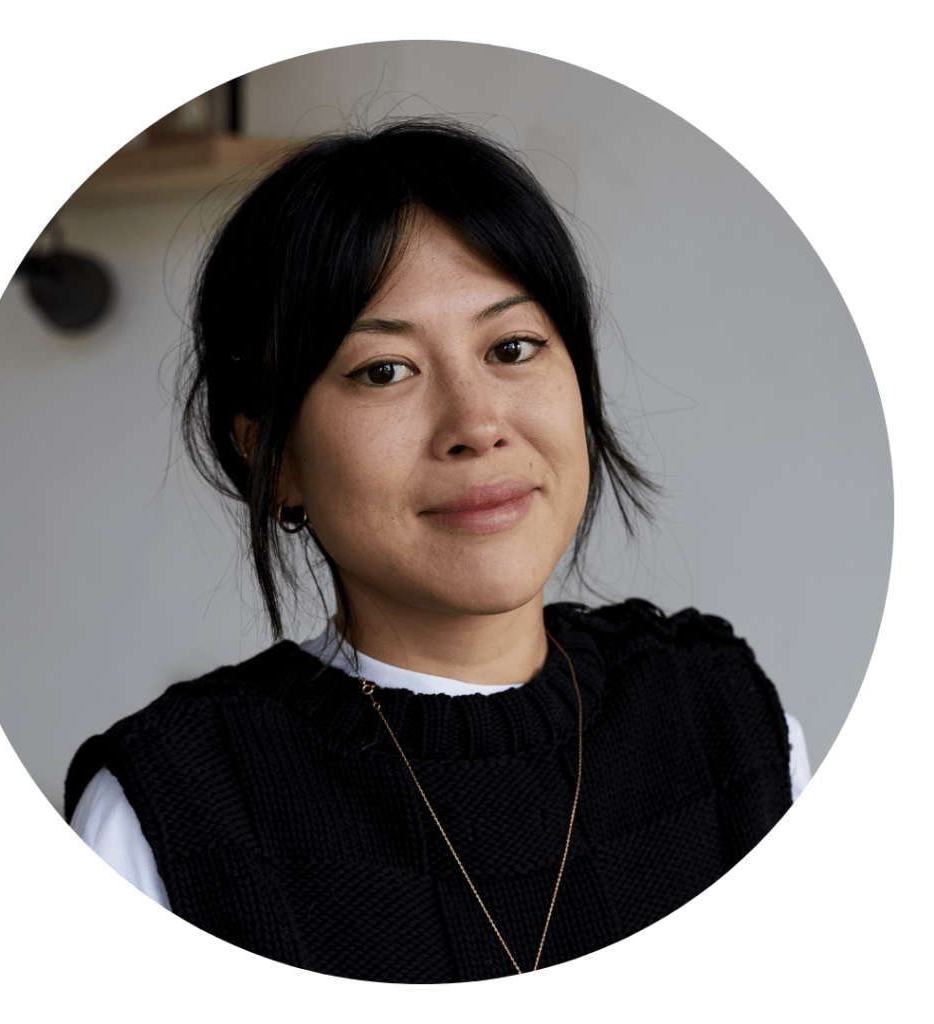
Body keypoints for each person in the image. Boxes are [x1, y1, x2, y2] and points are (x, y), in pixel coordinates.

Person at [66, 119, 811, 983]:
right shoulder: (169, 815)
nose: (475, 423)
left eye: (512, 348)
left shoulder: (730, 725)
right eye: (384, 369)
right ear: (275, 458)